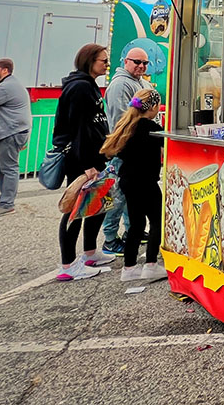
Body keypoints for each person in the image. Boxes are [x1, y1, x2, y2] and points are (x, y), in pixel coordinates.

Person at [53, 44, 114, 280]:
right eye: (103, 61)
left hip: (95, 156)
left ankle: (90, 252)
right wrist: (87, 164)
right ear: (90, 61)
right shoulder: (79, 88)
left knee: (96, 204)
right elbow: (79, 128)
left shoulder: (89, 86)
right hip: (82, 159)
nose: (107, 65)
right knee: (75, 209)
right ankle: (67, 265)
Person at [101, 89, 166, 283]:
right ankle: (151, 264)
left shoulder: (127, 125)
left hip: (128, 181)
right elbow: (167, 143)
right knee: (157, 221)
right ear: (154, 107)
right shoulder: (151, 128)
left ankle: (129, 267)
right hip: (146, 180)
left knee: (136, 225)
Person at [100, 47, 149, 254]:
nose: (141, 66)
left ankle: (132, 230)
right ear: (126, 61)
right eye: (137, 62)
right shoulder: (120, 85)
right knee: (117, 196)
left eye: (145, 63)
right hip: (122, 150)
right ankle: (110, 239)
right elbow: (122, 120)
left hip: (135, 150)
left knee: (132, 195)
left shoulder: (141, 83)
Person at [0, 58, 32, 217]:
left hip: (10, 132)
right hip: (12, 132)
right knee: (5, 167)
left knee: (8, 168)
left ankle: (7, 203)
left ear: (5, 70)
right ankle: (4, 201)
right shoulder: (11, 84)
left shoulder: (6, 87)